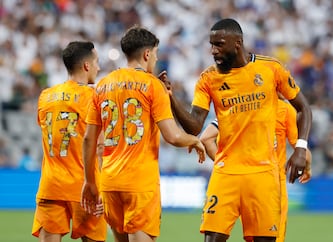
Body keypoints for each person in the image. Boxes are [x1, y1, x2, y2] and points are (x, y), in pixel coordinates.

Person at [159, 18, 312, 242]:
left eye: (219, 44)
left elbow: (303, 108)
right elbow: (194, 126)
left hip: (263, 175)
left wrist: (300, 148)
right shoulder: (208, 79)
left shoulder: (270, 68)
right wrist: (171, 98)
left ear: (237, 43)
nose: (213, 50)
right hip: (225, 173)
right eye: (211, 44)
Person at [80, 25, 206, 242]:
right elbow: (173, 136)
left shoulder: (102, 86)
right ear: (147, 54)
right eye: (155, 54)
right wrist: (194, 139)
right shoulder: (152, 85)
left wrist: (90, 181)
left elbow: (89, 138)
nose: (156, 59)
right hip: (139, 184)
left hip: (110, 182)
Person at [199, 96, 312, 242]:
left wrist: (227, 164)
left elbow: (206, 138)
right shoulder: (283, 109)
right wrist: (308, 166)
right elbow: (302, 151)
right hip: (269, 185)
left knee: (215, 235)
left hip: (232, 179)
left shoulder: (240, 103)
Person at [32, 41, 107, 242]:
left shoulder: (45, 97)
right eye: (97, 62)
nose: (99, 68)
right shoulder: (94, 97)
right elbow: (100, 147)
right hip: (85, 188)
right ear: (86, 66)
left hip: (51, 186)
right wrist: (100, 188)